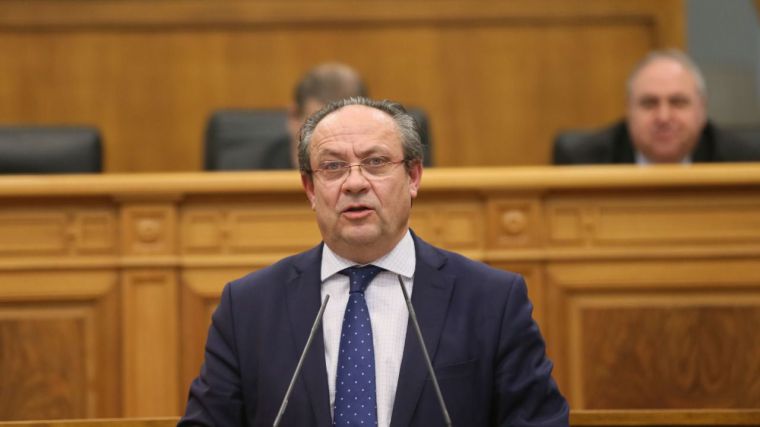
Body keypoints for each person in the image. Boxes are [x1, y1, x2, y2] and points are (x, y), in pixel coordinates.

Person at [179, 97, 569, 426]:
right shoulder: (248, 307)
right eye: (333, 167)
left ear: (413, 176)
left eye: (376, 162)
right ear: (311, 189)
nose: (354, 183)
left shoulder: (492, 301)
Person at [553, 49, 760, 164]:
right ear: (629, 110)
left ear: (702, 109)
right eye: (649, 103)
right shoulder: (582, 162)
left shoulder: (744, 161)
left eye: (678, 102)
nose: (663, 117)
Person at [261, 62, 368, 169]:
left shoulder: (377, 174)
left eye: (346, 129)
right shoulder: (250, 175)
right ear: (293, 116)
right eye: (318, 125)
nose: (332, 143)